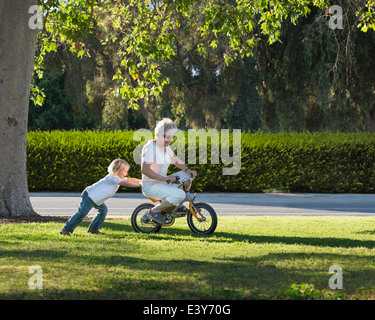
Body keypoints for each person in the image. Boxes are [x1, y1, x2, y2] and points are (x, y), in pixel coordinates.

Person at [60, 159, 141, 236]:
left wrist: (143, 181)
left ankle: (93, 229)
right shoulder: (112, 177)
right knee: (82, 213)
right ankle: (66, 229)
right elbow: (126, 183)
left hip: (96, 199)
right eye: (125, 171)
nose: (126, 173)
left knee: (103, 210)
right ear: (117, 169)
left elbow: (130, 180)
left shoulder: (118, 178)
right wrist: (140, 184)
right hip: (89, 196)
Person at [141, 118, 197, 224]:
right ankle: (154, 211)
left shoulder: (166, 147)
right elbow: (145, 170)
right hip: (151, 186)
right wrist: (165, 178)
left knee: (186, 176)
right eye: (167, 136)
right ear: (158, 135)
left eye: (172, 137)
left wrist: (187, 170)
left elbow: (175, 160)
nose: (170, 140)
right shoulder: (150, 147)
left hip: (162, 182)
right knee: (179, 194)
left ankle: (179, 205)